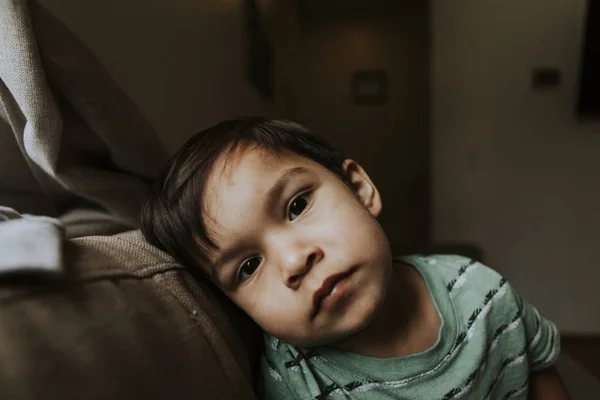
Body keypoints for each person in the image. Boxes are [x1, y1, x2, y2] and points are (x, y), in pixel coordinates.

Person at [140, 117, 570, 399]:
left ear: (360, 190)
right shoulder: (295, 380)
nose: (294, 261)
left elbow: (538, 370)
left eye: (296, 207)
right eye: (249, 267)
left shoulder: (480, 290)